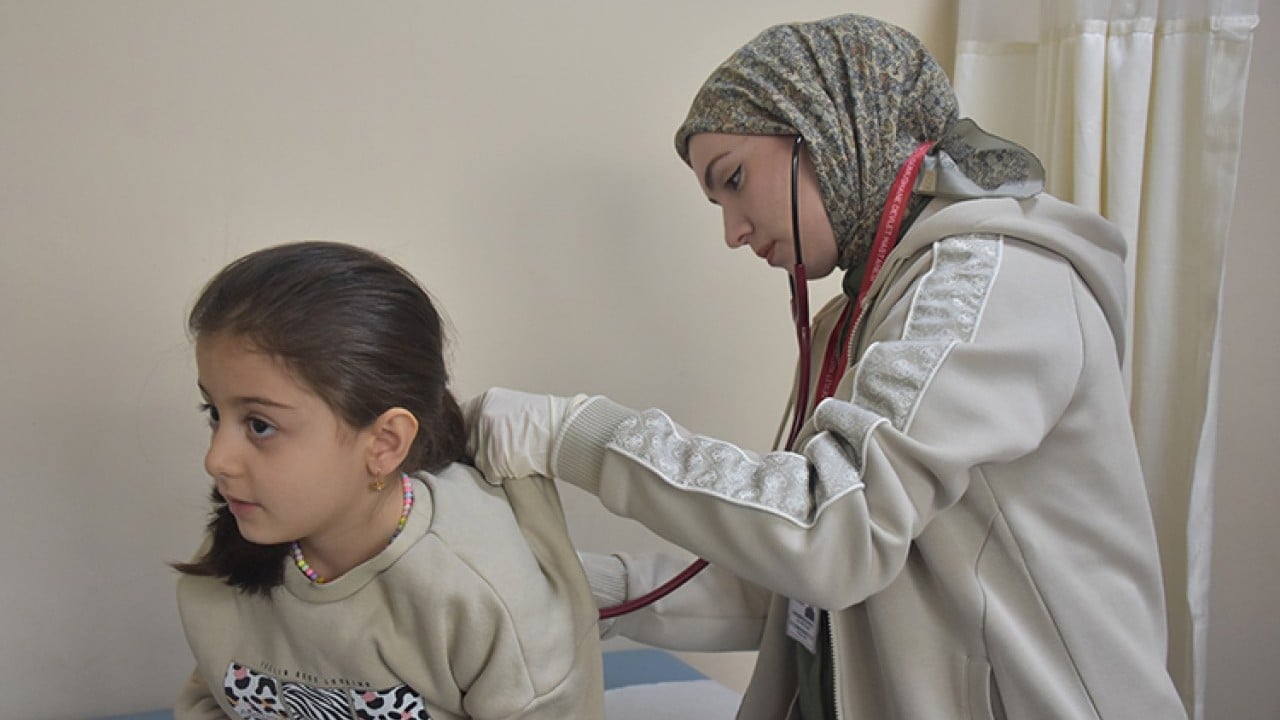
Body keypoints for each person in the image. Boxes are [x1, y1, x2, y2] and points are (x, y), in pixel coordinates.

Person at [465, 14, 1188, 720]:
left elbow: (831, 534)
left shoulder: (988, 286)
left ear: (828, 128)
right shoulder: (861, 317)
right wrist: (576, 588)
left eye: (736, 179)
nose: (732, 231)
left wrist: (574, 434)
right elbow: (788, 583)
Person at [172, 241, 602, 720]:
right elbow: (213, 698)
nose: (217, 459)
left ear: (384, 443)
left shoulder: (476, 592)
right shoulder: (233, 556)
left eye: (259, 425)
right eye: (214, 412)